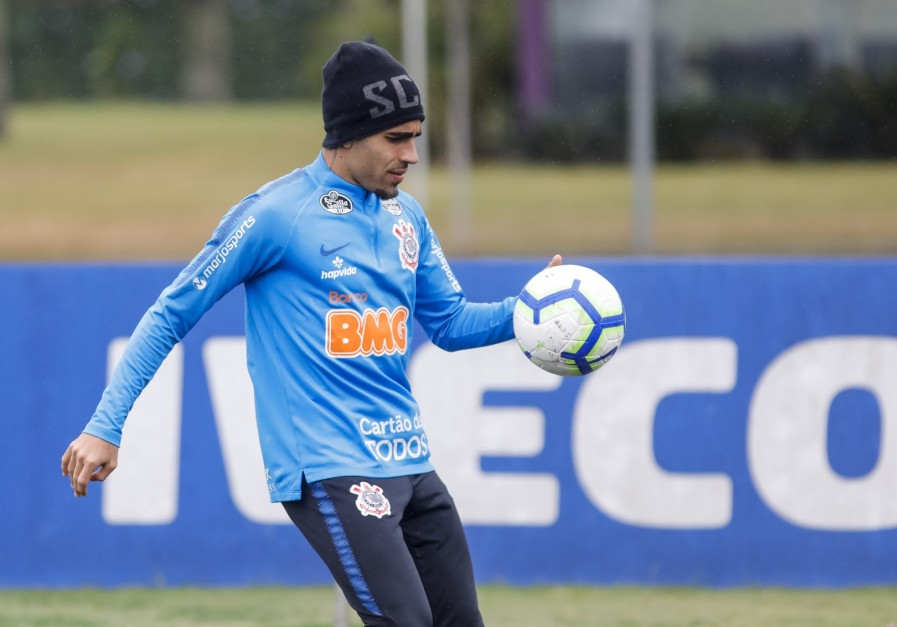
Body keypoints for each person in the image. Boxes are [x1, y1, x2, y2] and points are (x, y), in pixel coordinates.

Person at [61, 41, 561, 626]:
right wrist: (105, 425)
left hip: (408, 456)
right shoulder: (275, 215)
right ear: (347, 135)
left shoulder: (407, 218)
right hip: (328, 465)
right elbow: (170, 313)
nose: (413, 154)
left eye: (416, 136)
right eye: (396, 138)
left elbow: (449, 324)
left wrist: (526, 310)